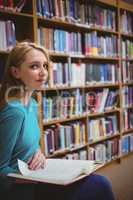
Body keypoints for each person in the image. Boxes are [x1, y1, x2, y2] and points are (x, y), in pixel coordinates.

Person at [0, 41, 115, 200]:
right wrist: (29, 178)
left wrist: (38, 152)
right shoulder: (14, 112)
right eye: (34, 66)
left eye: (45, 66)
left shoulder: (32, 103)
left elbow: (27, 146)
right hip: (21, 189)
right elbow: (1, 169)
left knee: (99, 182)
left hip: (36, 176)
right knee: (100, 186)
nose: (43, 72)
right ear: (15, 72)